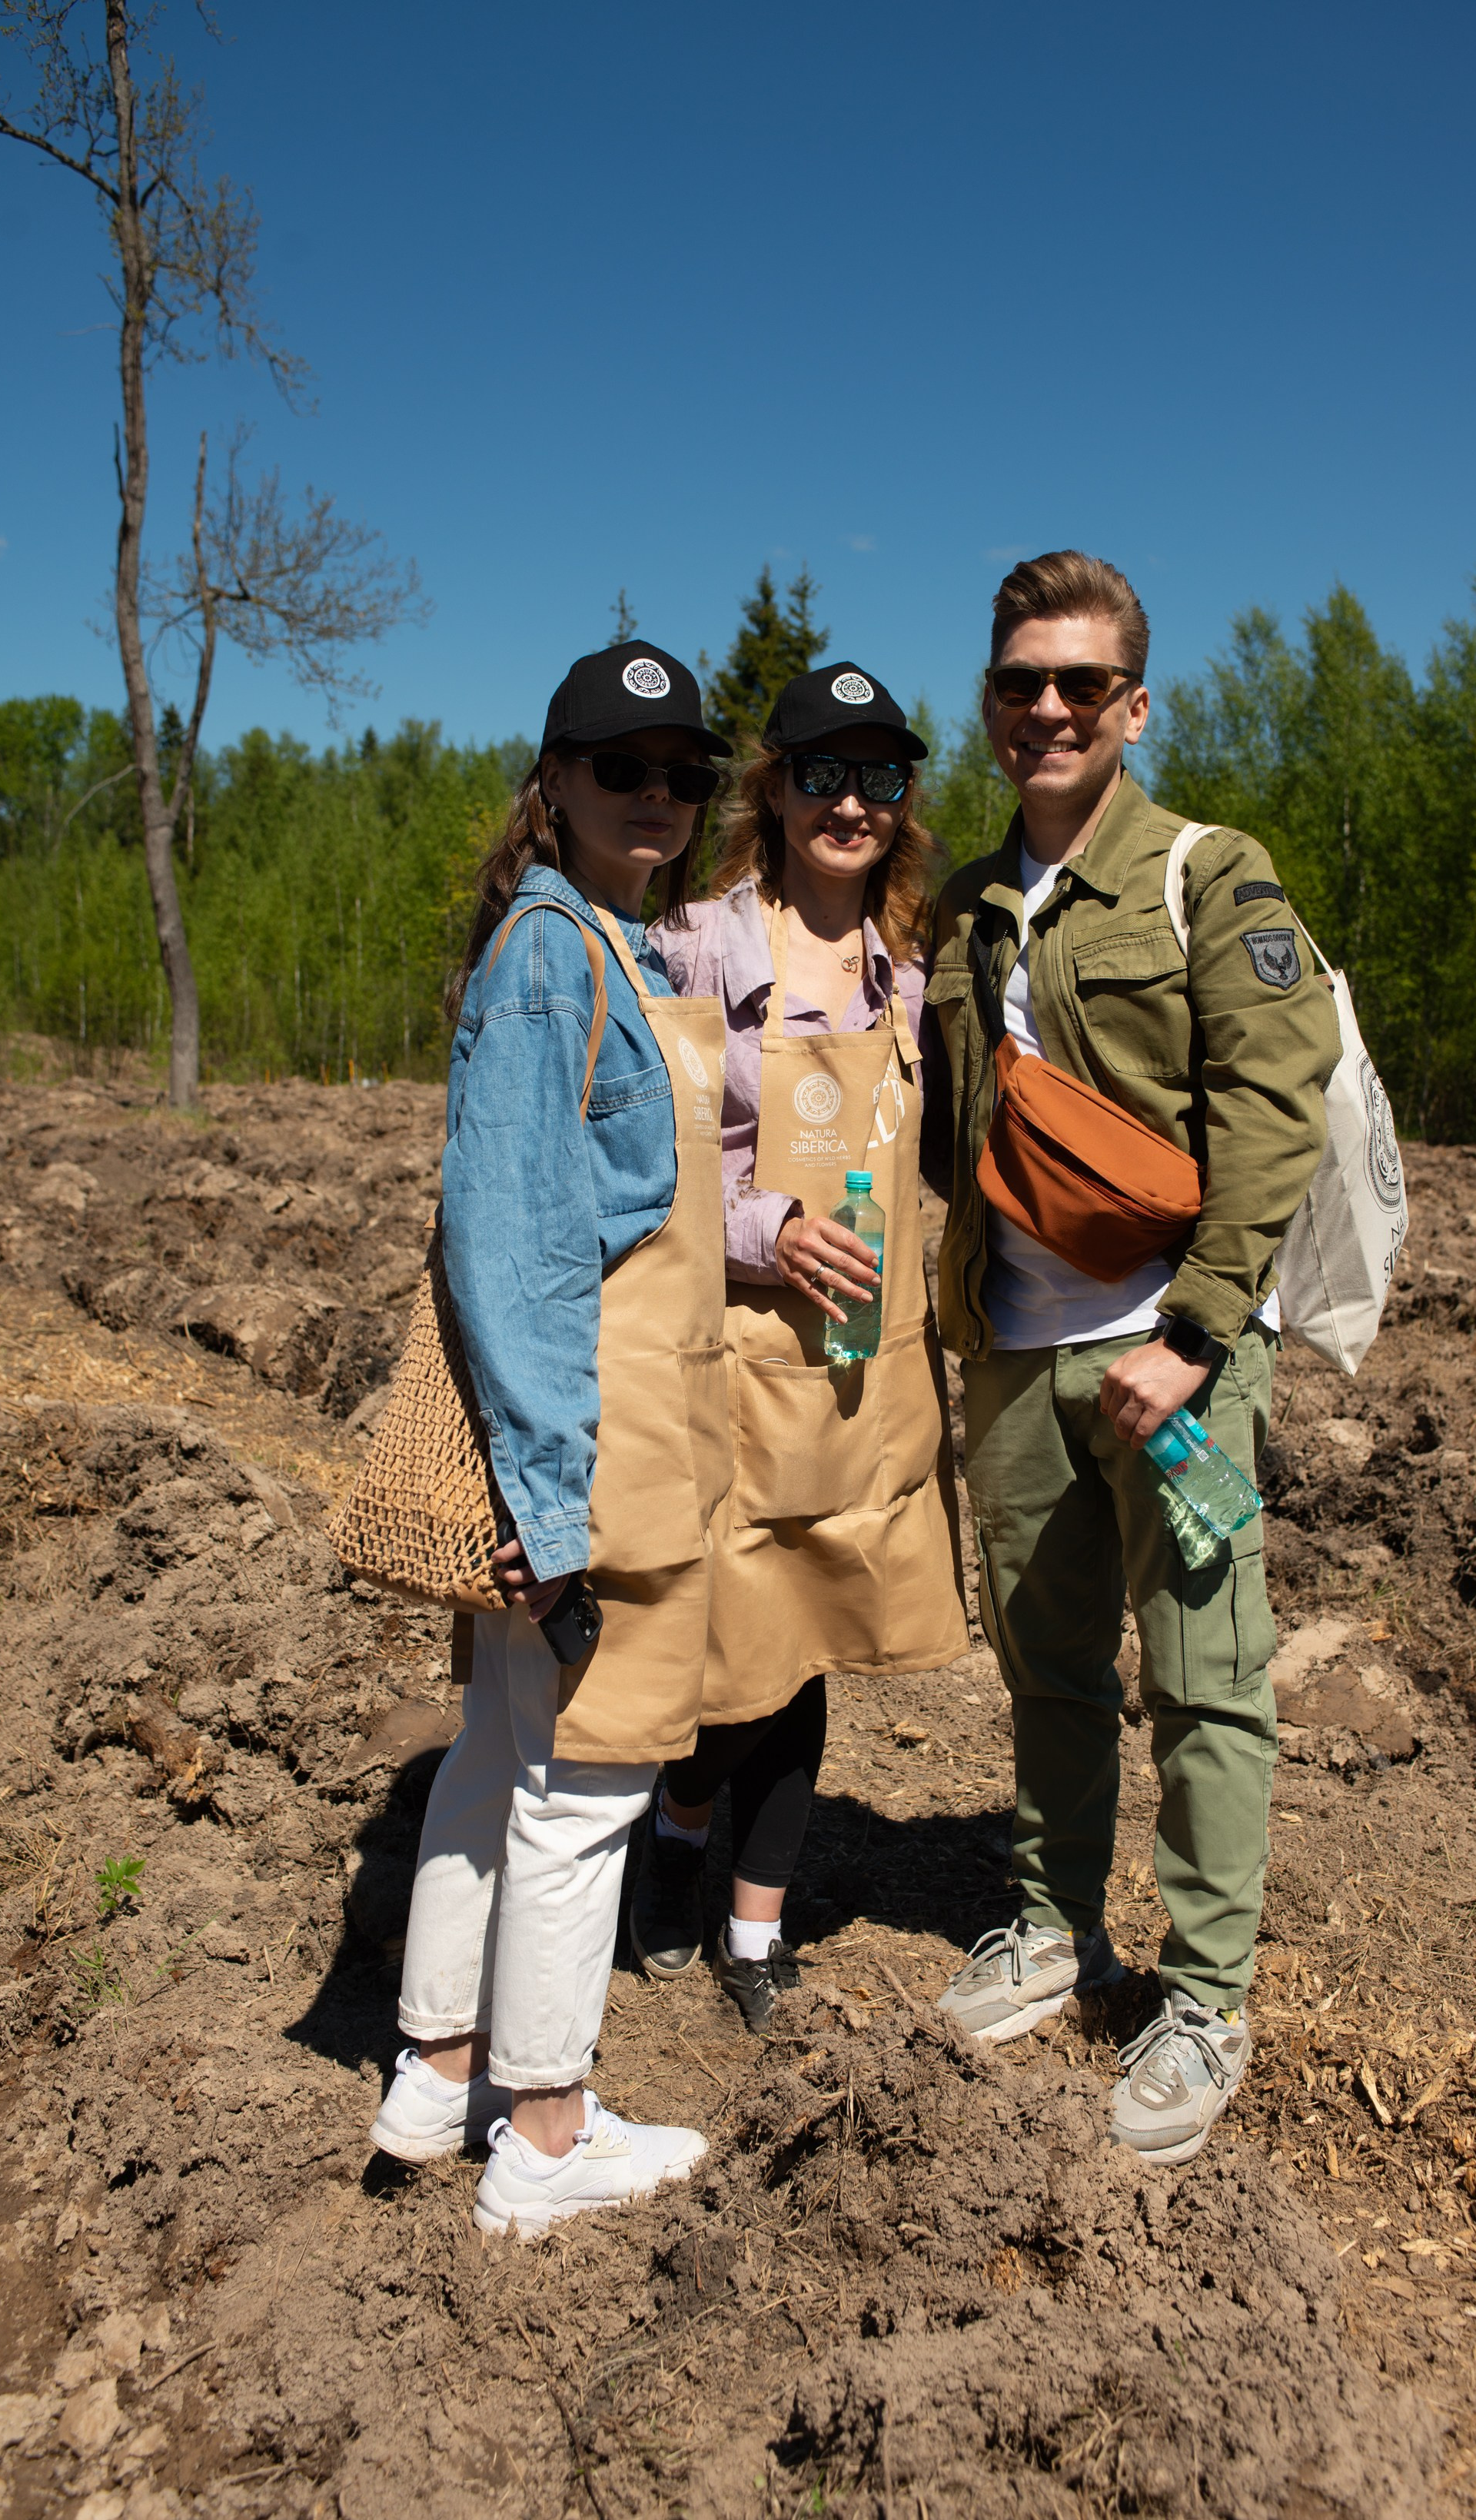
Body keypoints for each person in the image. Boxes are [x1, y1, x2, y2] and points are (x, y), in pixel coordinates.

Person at [926, 553, 1339, 2164]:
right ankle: (1049, 1927)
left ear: (1131, 705)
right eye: (1020, 682)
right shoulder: (964, 903)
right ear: (987, 704)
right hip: (1017, 1359)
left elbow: (1268, 1117)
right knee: (1043, 1663)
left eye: (1078, 684)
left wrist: (1191, 1335)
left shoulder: (1204, 876)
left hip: (1171, 1360)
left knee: (1204, 1677)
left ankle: (1207, 1993)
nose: (1046, 708)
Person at [369, 641, 738, 2234]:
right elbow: (509, 1242)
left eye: (680, 773)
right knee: (586, 1778)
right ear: (557, 778)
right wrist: (545, 1489)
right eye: (618, 766)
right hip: (590, 1428)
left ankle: (433, 2073)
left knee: (499, 1754)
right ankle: (542, 2133)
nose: (653, 795)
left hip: (608, 1411)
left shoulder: (609, 942)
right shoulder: (550, 953)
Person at [635, 660, 967, 2028]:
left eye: (880, 776)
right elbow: (645, 1154)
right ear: (773, 787)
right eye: (821, 772)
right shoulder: (700, 944)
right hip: (737, 1346)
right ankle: (677, 1828)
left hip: (862, 1368)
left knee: (813, 1631)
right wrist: (767, 1226)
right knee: (734, 1648)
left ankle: (754, 1934)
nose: (851, 800)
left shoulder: (917, 970)